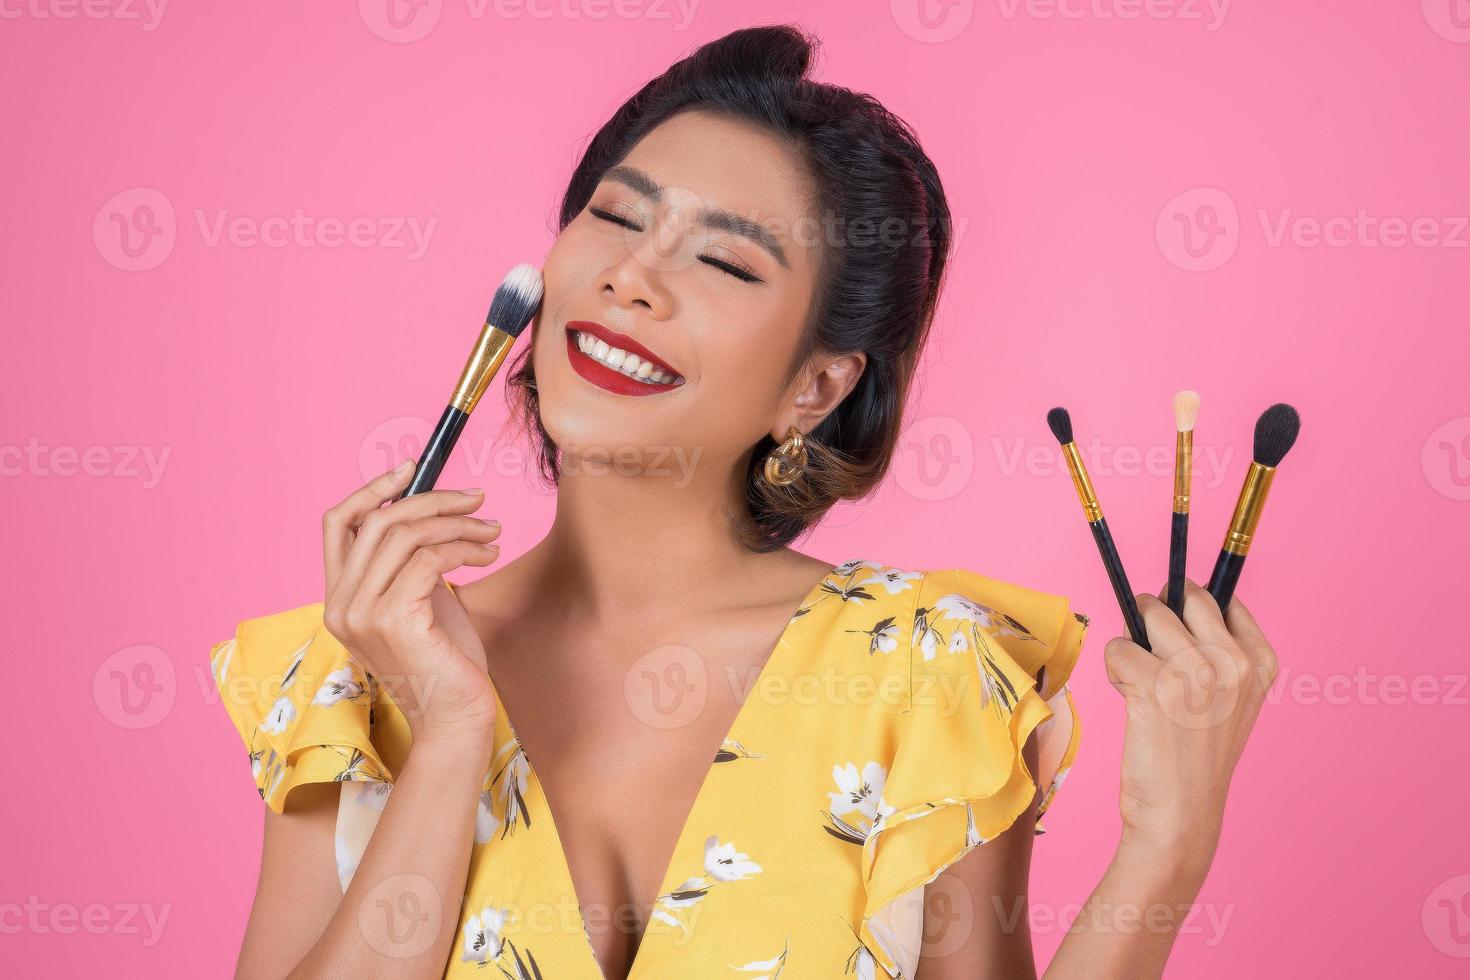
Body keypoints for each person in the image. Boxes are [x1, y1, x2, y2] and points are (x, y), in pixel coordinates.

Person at [210, 24, 1279, 980]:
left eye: (722, 259)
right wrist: (446, 732)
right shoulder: (354, 672)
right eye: (616, 216)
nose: (632, 275)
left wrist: (1167, 840)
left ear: (815, 385)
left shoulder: (927, 671)